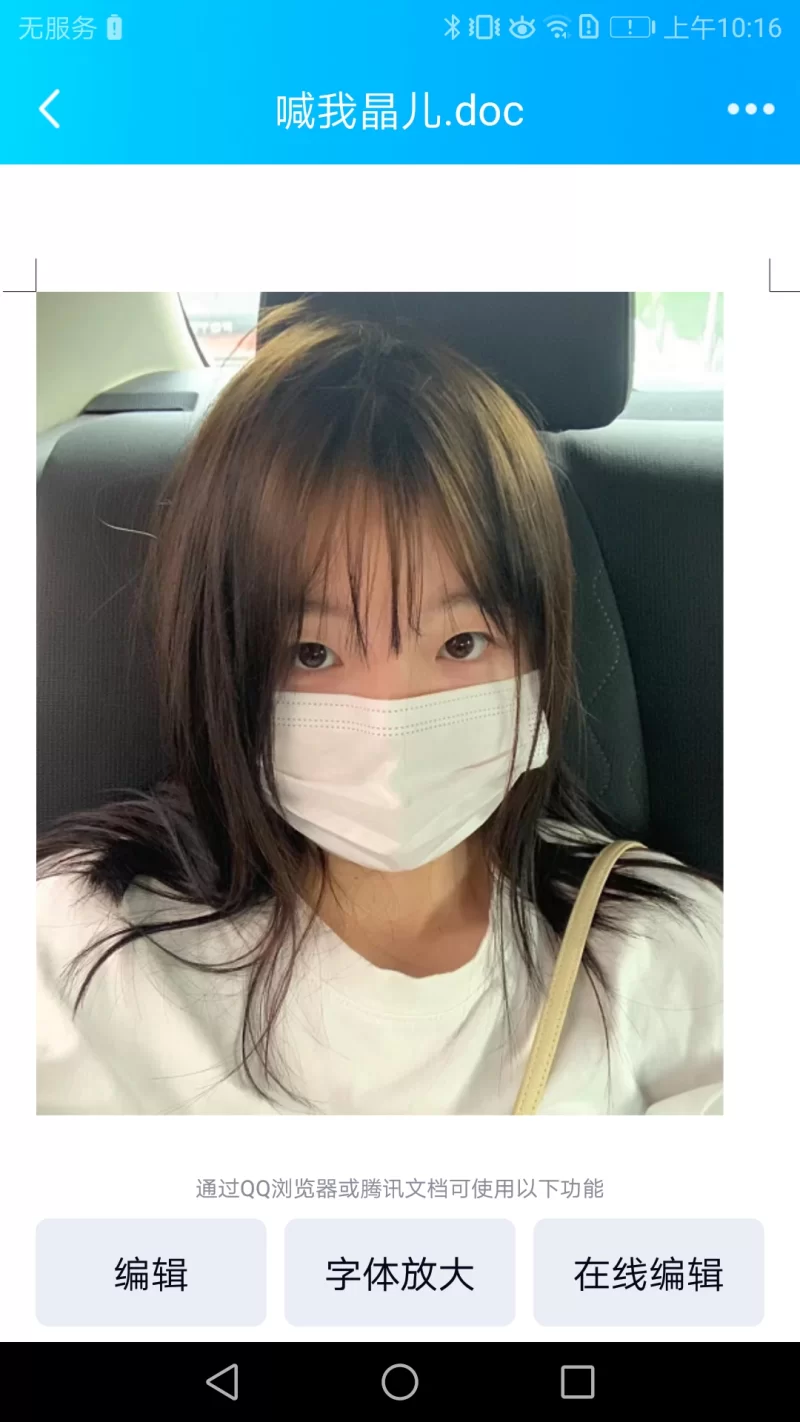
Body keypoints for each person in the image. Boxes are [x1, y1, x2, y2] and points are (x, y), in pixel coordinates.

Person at [36, 301, 722, 1116]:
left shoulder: (669, 954)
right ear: (224, 663)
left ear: (539, 650)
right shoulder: (71, 958)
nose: (392, 716)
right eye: (312, 652)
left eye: (461, 642)